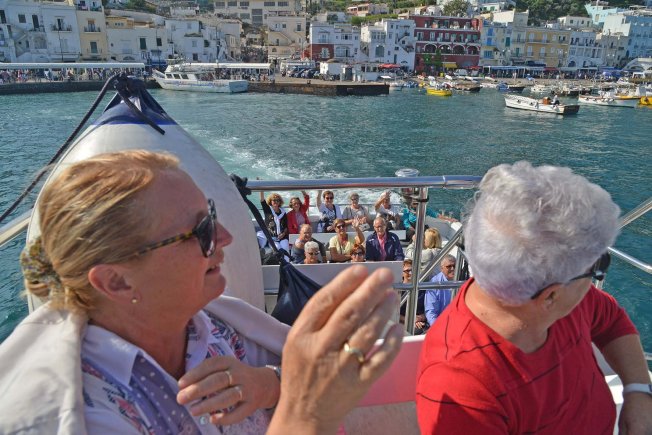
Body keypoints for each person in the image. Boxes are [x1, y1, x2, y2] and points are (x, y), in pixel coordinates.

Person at [0, 151, 403, 434]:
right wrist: (307, 412)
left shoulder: (213, 327)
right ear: (116, 281)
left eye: (211, 216)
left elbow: (283, 378)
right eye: (201, 231)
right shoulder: (87, 417)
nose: (225, 236)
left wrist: (268, 385)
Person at [416, 162, 652, 434]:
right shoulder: (462, 390)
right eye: (598, 266)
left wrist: (638, 390)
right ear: (551, 296)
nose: (595, 279)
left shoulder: (544, 293)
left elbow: (610, 321)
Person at [424, 255, 456, 326]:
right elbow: (431, 312)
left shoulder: (463, 279)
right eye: (449, 266)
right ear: (441, 268)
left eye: (454, 266)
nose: (452, 268)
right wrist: (437, 328)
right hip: (440, 323)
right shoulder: (434, 283)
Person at [400, 259, 428, 334]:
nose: (411, 273)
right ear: (401, 273)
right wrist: (411, 321)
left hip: (421, 322)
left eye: (413, 270)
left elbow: (430, 308)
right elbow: (395, 313)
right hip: (402, 322)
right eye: (407, 271)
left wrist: (420, 318)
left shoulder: (423, 288)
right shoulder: (398, 290)